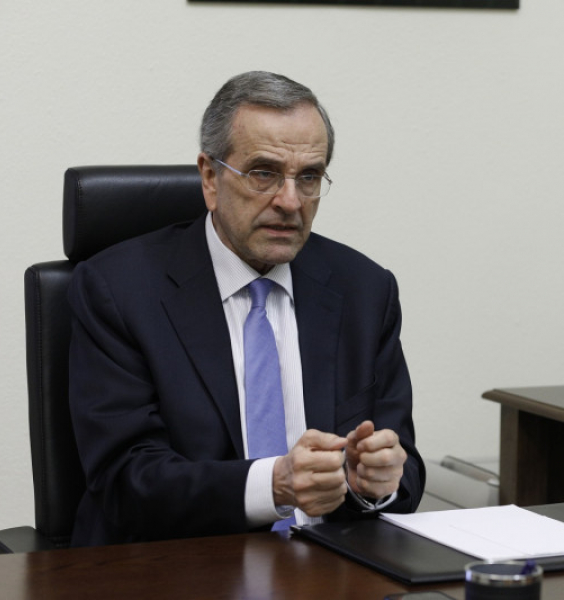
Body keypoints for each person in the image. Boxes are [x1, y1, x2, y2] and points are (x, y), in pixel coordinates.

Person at [66, 71, 425, 547]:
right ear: (210, 178)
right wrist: (272, 485)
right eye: (263, 173)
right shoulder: (118, 290)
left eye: (309, 177)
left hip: (327, 568)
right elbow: (125, 481)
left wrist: (375, 482)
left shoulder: (365, 290)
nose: (290, 202)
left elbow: (405, 467)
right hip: (175, 566)